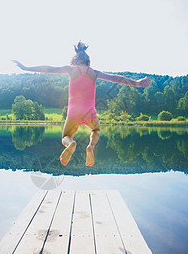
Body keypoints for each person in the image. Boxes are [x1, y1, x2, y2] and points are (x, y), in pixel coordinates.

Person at [13, 41, 151, 167]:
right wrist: (137, 83)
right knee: (96, 130)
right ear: (88, 63)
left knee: (65, 137)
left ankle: (71, 144)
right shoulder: (94, 72)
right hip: (89, 112)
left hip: (73, 112)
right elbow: (116, 78)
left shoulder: (71, 70)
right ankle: (91, 146)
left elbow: (48, 68)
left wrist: (25, 67)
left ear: (74, 62)